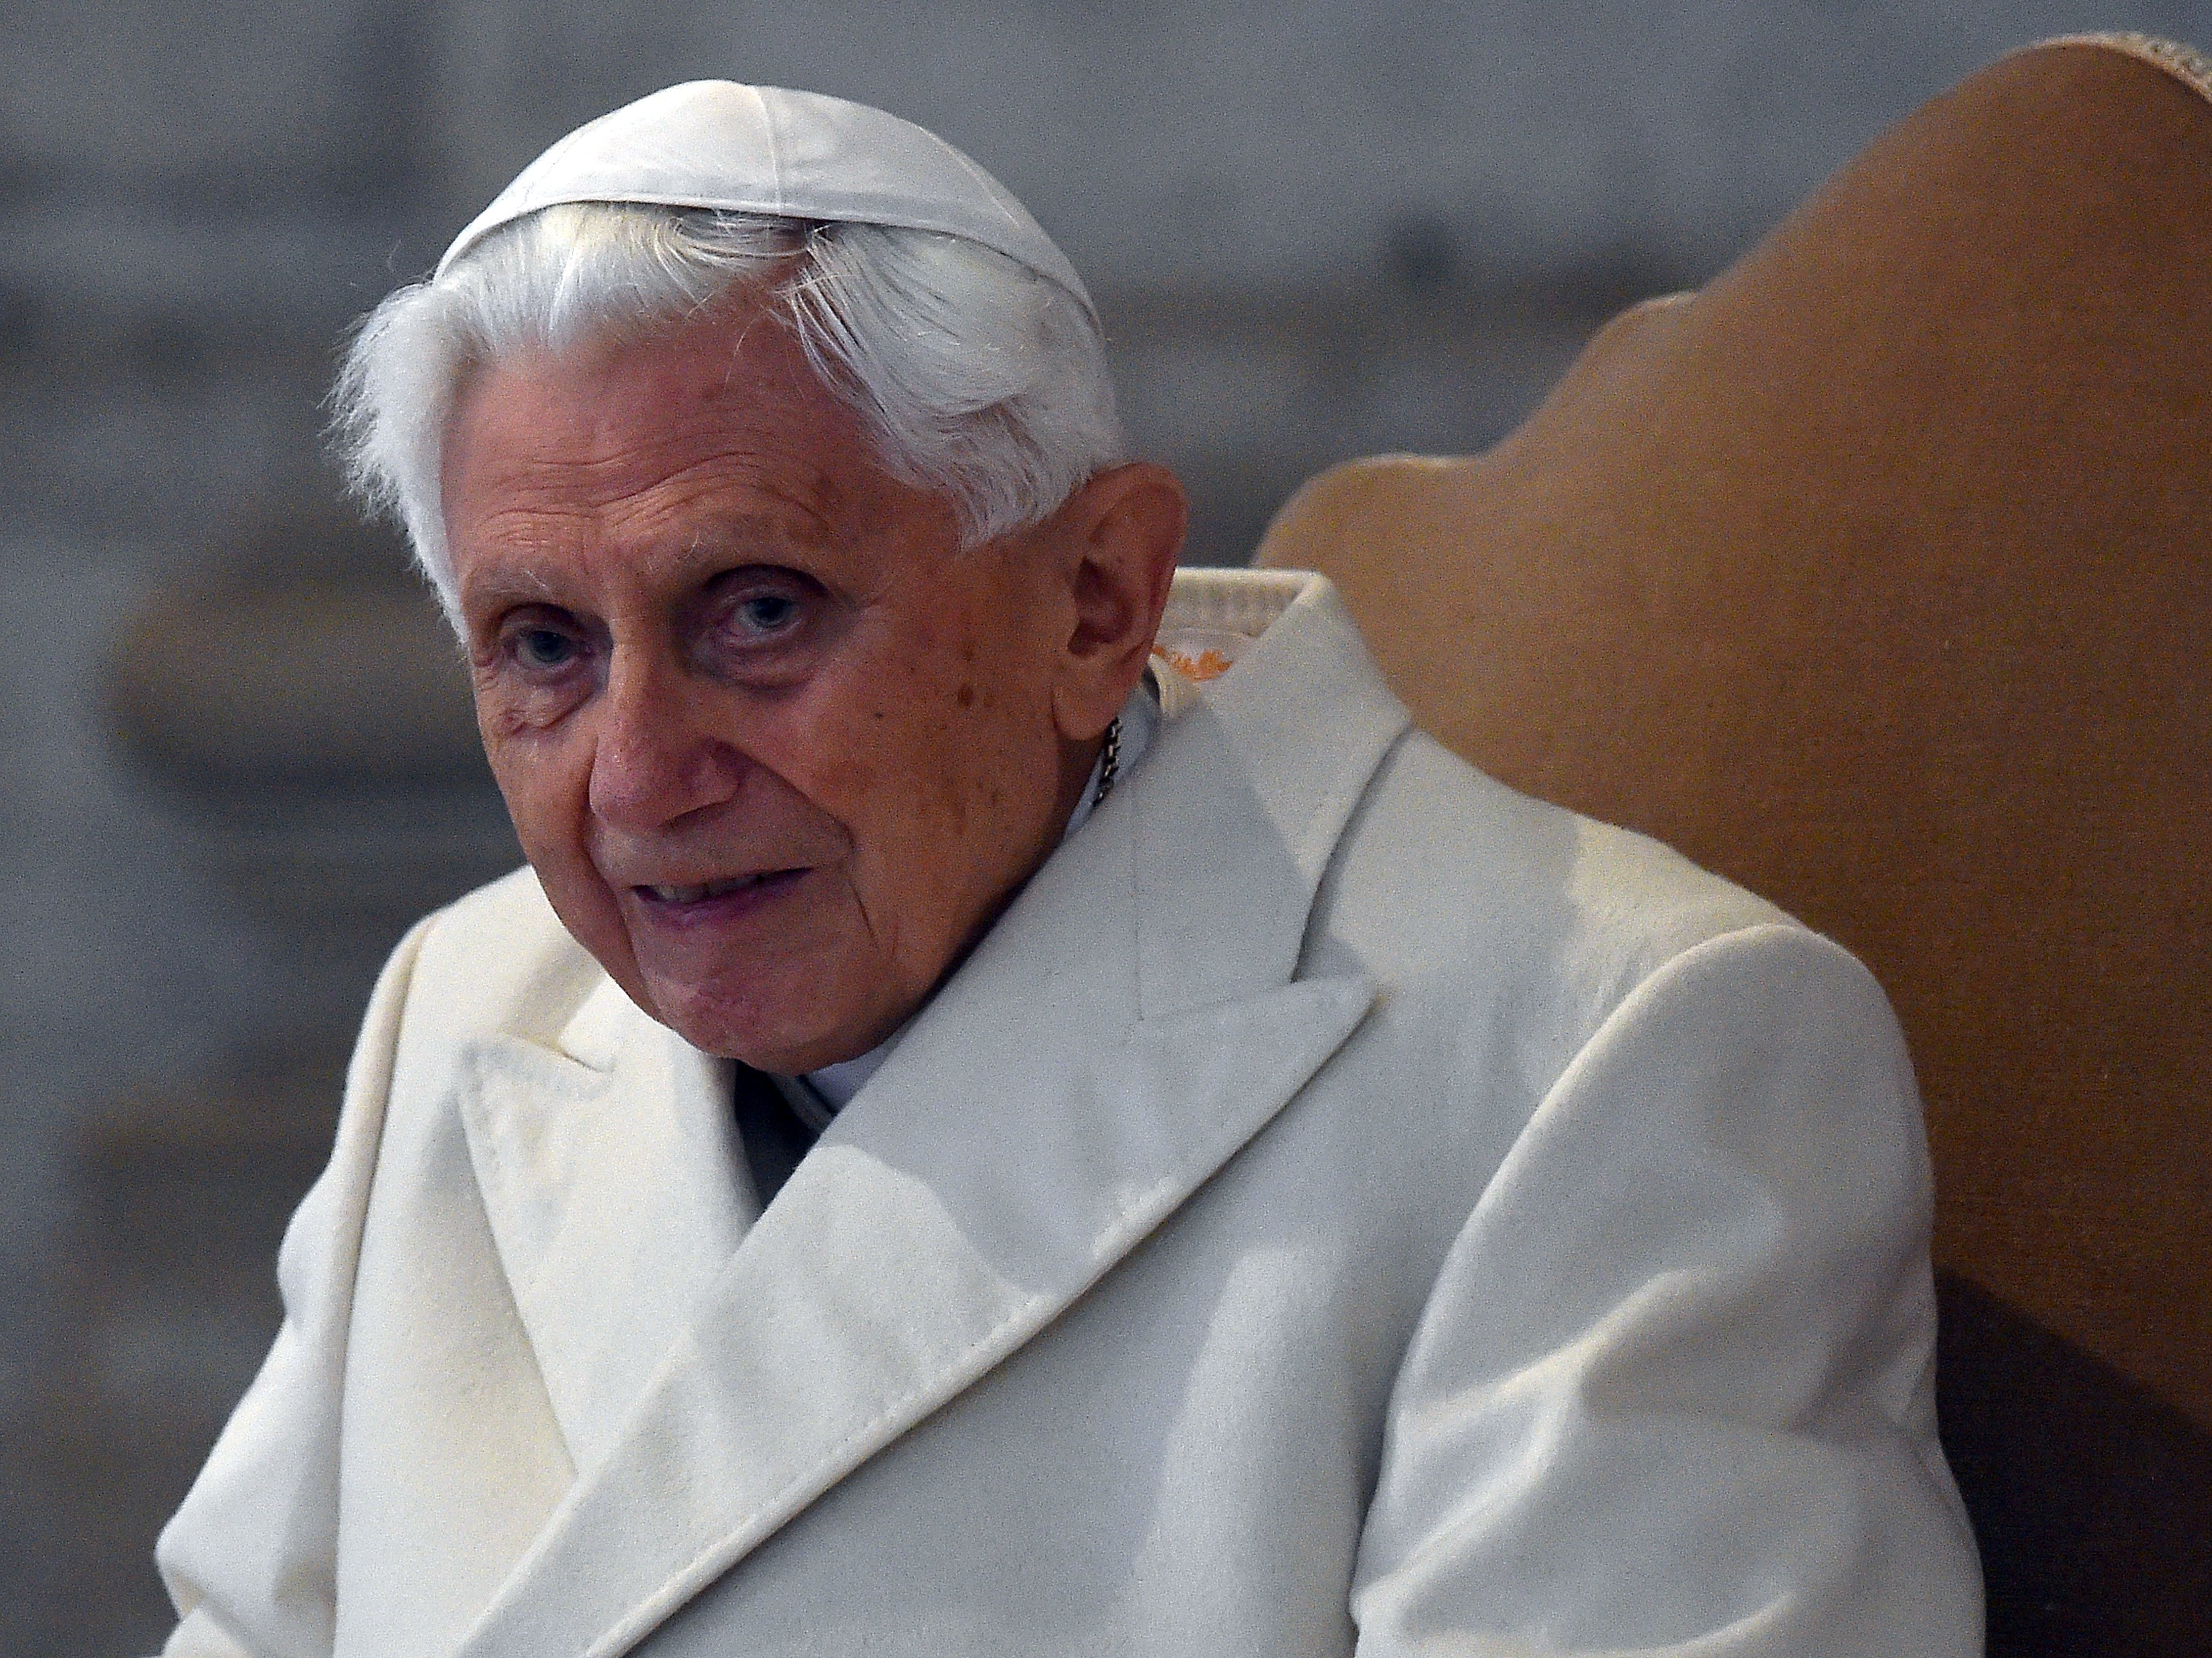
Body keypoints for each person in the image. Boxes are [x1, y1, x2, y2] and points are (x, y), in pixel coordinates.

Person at [150, 83, 1981, 1658]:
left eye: (760, 611)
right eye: (542, 645)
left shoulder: (1611, 1068)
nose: (639, 775)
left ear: (1096, 599)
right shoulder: (468, 1008)